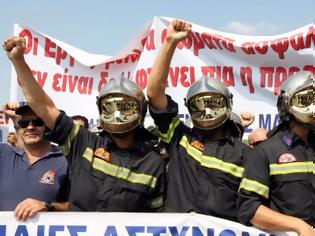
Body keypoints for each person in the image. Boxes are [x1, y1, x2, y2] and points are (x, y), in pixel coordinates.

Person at [3, 36, 166, 212]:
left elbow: (156, 220)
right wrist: (18, 60)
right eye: (109, 107)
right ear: (100, 108)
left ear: (140, 110)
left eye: (125, 107)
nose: (117, 115)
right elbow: (44, 106)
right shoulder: (82, 143)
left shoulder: (153, 163)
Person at [147, 19, 249, 221]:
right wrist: (170, 43)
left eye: (214, 103)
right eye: (199, 105)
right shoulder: (179, 138)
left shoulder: (245, 154)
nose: (208, 111)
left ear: (228, 103)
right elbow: (154, 93)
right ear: (188, 107)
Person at [238, 72, 315, 235]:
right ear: (287, 104)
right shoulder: (266, 151)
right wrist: (299, 226)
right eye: (306, 100)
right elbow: (249, 208)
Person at [0, 102, 69, 221]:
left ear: (48, 125)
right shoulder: (3, 153)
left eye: (37, 121)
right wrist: (10, 116)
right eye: (24, 122)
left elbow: (80, 206)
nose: (30, 127)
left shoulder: (66, 161)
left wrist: (47, 206)